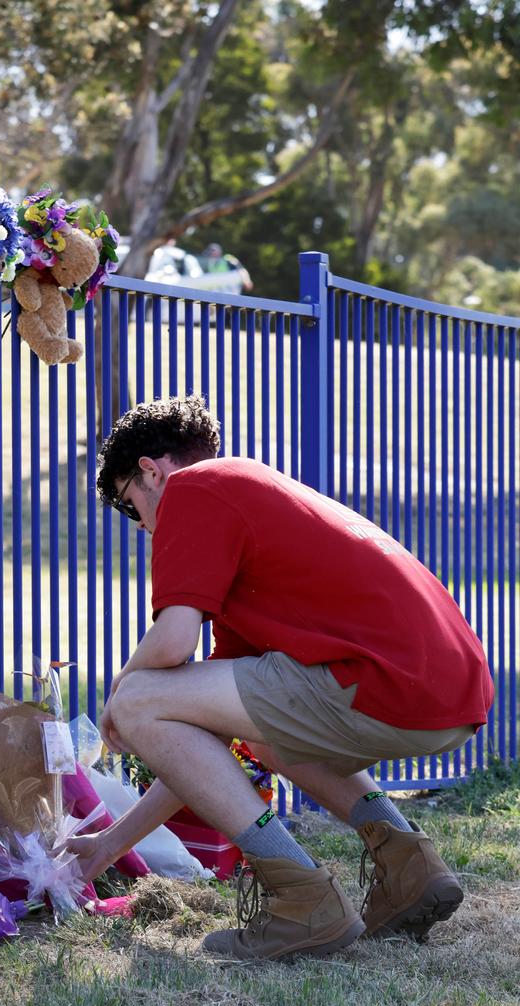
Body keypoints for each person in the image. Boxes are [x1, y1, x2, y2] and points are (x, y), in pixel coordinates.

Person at [67, 396, 493, 962]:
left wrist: (120, 695)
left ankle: (303, 899)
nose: (144, 527)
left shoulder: (194, 488)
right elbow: (199, 745)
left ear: (152, 470)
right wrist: (108, 845)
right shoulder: (250, 496)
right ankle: (409, 864)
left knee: (140, 698)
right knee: (256, 731)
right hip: (447, 692)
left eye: (131, 506)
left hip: (390, 683)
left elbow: (172, 644)